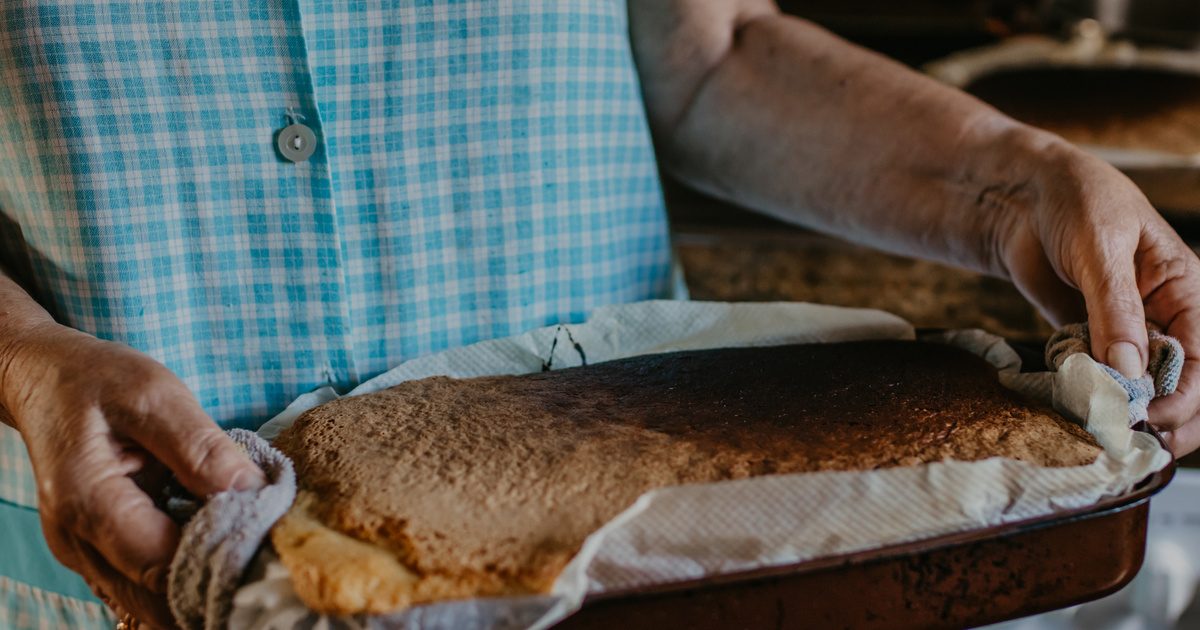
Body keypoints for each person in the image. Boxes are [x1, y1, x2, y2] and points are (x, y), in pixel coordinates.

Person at [1, 1, 1198, 627]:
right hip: (132, 554)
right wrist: (25, 359)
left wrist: (1015, 181)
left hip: (640, 548)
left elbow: (709, 50)